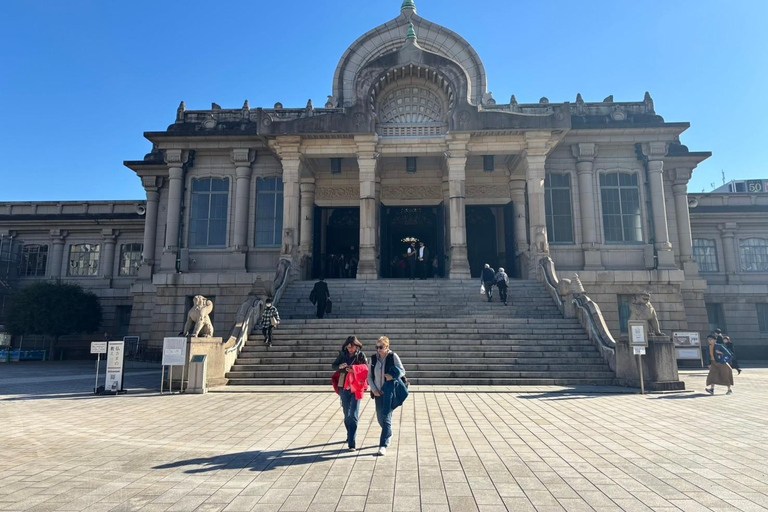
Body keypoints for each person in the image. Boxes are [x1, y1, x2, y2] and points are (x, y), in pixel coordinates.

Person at [368, 336, 407, 456]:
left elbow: (402, 370)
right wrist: (374, 389)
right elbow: (369, 376)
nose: (379, 349)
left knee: (386, 418)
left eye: (381, 347)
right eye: (377, 347)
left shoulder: (392, 356)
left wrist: (393, 376)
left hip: (389, 393)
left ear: (387, 347)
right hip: (378, 392)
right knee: (380, 418)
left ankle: (383, 445)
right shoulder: (373, 358)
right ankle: (388, 432)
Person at [332, 336, 368, 451]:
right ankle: (350, 433)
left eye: (351, 347)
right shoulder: (343, 354)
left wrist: (354, 369)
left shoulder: (361, 355)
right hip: (344, 386)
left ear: (356, 346)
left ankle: (352, 442)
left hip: (356, 386)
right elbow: (334, 365)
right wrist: (340, 367)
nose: (349, 349)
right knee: (346, 414)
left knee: (353, 414)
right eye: (348, 347)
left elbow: (365, 369)